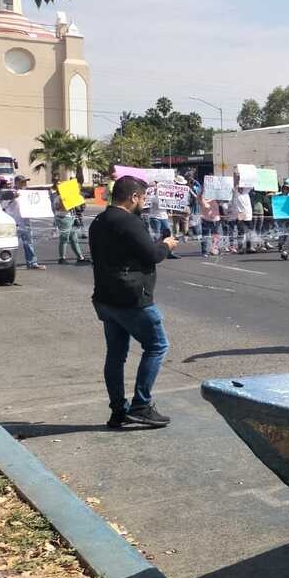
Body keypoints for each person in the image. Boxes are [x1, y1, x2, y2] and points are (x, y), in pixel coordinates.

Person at [88, 175, 177, 428]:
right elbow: (151, 255)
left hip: (106, 298)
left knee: (115, 355)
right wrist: (167, 245)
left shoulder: (99, 220)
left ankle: (118, 411)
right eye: (143, 197)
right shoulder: (128, 221)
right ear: (134, 197)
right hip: (132, 299)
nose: (144, 202)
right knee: (157, 346)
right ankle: (141, 405)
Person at [1, 175, 46, 270]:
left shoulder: (27, 194)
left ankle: (32, 263)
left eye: (25, 182)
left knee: (29, 244)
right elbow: (3, 206)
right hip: (14, 224)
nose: (24, 184)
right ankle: (7, 264)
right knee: (12, 245)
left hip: (25, 223)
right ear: (16, 183)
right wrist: (13, 197)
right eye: (22, 182)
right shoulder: (10, 193)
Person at [52, 189, 87, 264]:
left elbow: (79, 207)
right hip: (63, 218)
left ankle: (80, 257)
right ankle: (62, 258)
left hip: (71, 217)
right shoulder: (58, 198)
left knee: (74, 239)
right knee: (64, 238)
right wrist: (64, 201)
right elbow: (58, 208)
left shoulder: (70, 196)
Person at [199, 189, 222, 256]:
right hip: (206, 219)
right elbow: (203, 203)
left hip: (215, 218)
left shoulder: (215, 194)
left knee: (215, 235)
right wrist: (202, 193)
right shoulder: (202, 196)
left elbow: (222, 201)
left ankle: (213, 249)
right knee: (205, 235)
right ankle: (204, 251)